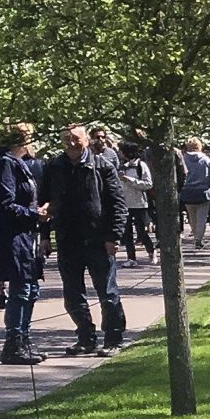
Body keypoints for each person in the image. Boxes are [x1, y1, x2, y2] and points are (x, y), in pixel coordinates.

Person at [44, 123, 126, 355]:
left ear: (86, 140)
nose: (71, 143)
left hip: (98, 239)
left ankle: (113, 339)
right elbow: (45, 202)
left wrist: (113, 236)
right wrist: (44, 236)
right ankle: (85, 337)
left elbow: (117, 205)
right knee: (72, 294)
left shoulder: (102, 166)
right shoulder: (54, 167)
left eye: (75, 138)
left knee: (108, 293)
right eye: (66, 138)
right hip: (68, 239)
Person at [0, 122, 45, 365]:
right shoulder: (4, 163)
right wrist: (34, 214)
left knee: (30, 289)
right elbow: (4, 204)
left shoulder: (19, 163)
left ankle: (24, 339)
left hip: (25, 235)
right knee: (22, 289)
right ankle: (14, 343)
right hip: (11, 237)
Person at [113, 127, 157, 268]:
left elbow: (148, 184)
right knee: (126, 233)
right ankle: (131, 258)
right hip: (125, 203)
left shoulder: (141, 166)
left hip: (139, 203)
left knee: (141, 231)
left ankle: (151, 251)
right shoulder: (121, 166)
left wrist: (129, 180)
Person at [178, 137, 210, 250]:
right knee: (202, 218)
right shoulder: (205, 159)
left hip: (188, 191)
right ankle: (198, 239)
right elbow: (209, 175)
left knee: (192, 217)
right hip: (202, 191)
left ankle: (196, 237)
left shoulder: (184, 159)